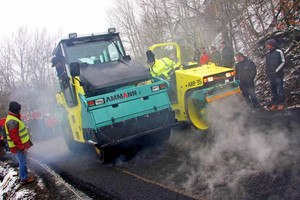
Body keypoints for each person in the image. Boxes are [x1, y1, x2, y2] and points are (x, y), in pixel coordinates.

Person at [5, 101, 35, 184]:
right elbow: (14, 137)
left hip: (19, 146)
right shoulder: (11, 121)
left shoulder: (13, 118)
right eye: (19, 110)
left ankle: (25, 176)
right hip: (18, 147)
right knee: (22, 162)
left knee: (23, 161)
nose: (19, 111)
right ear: (15, 110)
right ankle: (24, 178)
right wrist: (22, 148)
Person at [265, 38, 285, 110]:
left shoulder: (279, 52)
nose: (267, 46)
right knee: (273, 90)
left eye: (268, 44)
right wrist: (267, 71)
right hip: (271, 75)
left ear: (272, 45)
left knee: (280, 89)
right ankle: (275, 104)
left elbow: (283, 62)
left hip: (278, 75)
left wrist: (277, 70)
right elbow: (267, 64)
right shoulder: (267, 54)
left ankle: (281, 103)